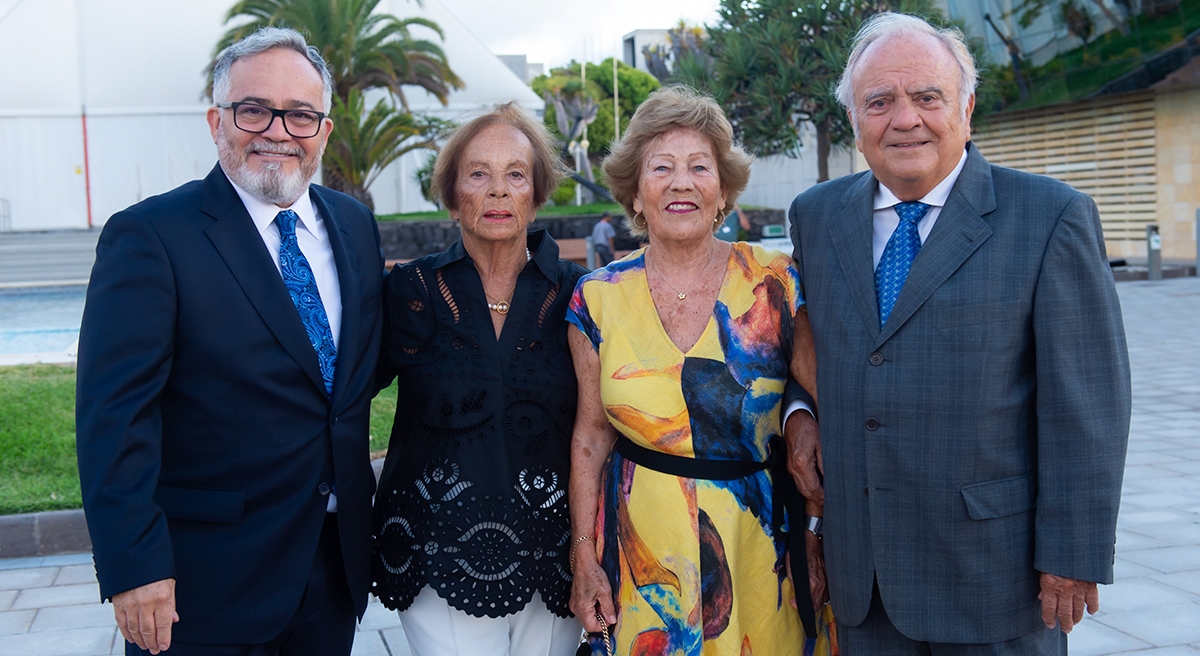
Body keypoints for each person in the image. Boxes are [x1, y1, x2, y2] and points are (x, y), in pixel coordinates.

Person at [784, 12, 1131, 655]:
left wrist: (1073, 552)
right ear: (856, 121)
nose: (905, 118)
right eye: (879, 101)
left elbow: (1087, 407)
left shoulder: (1051, 217)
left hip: (996, 577)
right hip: (865, 575)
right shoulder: (815, 216)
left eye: (927, 96)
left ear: (967, 107)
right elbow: (805, 347)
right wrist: (801, 412)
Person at [75, 27, 384, 656]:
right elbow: (114, 416)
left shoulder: (352, 224)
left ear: (323, 131)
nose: (278, 129)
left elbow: (346, 376)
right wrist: (134, 566)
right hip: (204, 584)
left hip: (332, 574)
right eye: (254, 109)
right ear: (217, 121)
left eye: (300, 114)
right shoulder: (151, 236)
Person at [566, 86, 835, 655]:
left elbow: (828, 398)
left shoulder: (776, 282)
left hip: (761, 542)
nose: (680, 182)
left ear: (722, 190)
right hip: (643, 552)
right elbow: (591, 438)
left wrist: (816, 529)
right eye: (660, 167)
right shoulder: (596, 298)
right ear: (635, 194)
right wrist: (582, 555)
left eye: (698, 166)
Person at [371, 102, 585, 656]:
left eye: (516, 174)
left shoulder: (580, 294)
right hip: (435, 548)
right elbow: (340, 399)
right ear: (451, 194)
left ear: (537, 194)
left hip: (553, 550)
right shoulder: (408, 292)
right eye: (478, 174)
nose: (497, 191)